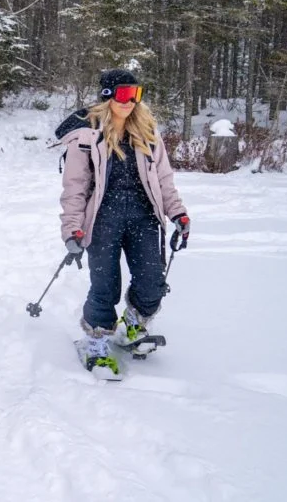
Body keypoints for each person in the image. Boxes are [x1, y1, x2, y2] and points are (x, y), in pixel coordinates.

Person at [57, 69, 190, 379]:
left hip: (144, 217)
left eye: (136, 94)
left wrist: (178, 214)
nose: (130, 101)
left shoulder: (147, 132)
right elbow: (74, 187)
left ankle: (132, 325)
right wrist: (72, 229)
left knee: (152, 282)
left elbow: (164, 180)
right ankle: (95, 342)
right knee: (106, 286)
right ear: (108, 96)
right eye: (123, 95)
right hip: (103, 217)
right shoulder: (87, 136)